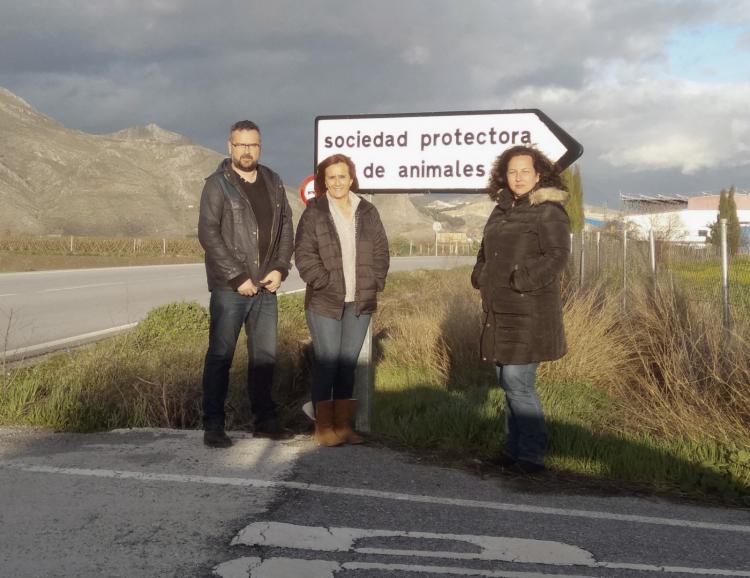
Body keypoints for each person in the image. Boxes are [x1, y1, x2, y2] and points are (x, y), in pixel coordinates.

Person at [471, 145, 570, 473]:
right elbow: (485, 250)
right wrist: (479, 274)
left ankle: (530, 457)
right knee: (506, 379)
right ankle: (513, 451)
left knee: (517, 381)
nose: (518, 177)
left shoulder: (549, 210)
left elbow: (557, 257)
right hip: (499, 310)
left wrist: (521, 280)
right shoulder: (501, 209)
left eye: (525, 171)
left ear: (539, 174)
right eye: (512, 171)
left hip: (531, 312)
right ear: (504, 175)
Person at [198, 120, 294, 447]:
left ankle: (265, 421)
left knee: (264, 358)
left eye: (252, 145)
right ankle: (213, 425)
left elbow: (285, 229)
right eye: (240, 145)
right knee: (221, 356)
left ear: (260, 147)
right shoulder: (217, 185)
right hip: (230, 289)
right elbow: (209, 234)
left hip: (266, 287)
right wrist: (238, 277)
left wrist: (281, 267)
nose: (246, 151)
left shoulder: (273, 181)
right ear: (230, 147)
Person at [294, 154, 389, 447]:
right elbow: (304, 255)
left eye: (342, 176)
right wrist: (325, 281)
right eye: (331, 177)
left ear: (351, 178)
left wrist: (375, 282)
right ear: (324, 181)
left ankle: (343, 426)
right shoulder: (315, 212)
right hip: (325, 301)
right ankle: (323, 428)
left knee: (347, 364)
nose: (337, 182)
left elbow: (381, 252)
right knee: (328, 362)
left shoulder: (368, 211)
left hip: (359, 302)